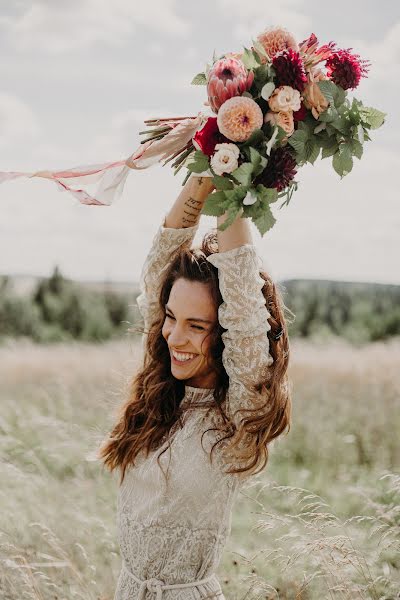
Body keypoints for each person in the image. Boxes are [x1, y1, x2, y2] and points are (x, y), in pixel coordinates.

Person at [98, 175, 292, 600]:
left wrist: (233, 166)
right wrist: (207, 164)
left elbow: (242, 297)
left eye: (197, 326)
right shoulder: (160, 393)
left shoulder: (239, 411)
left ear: (226, 334)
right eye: (171, 316)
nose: (175, 337)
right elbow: (161, 260)